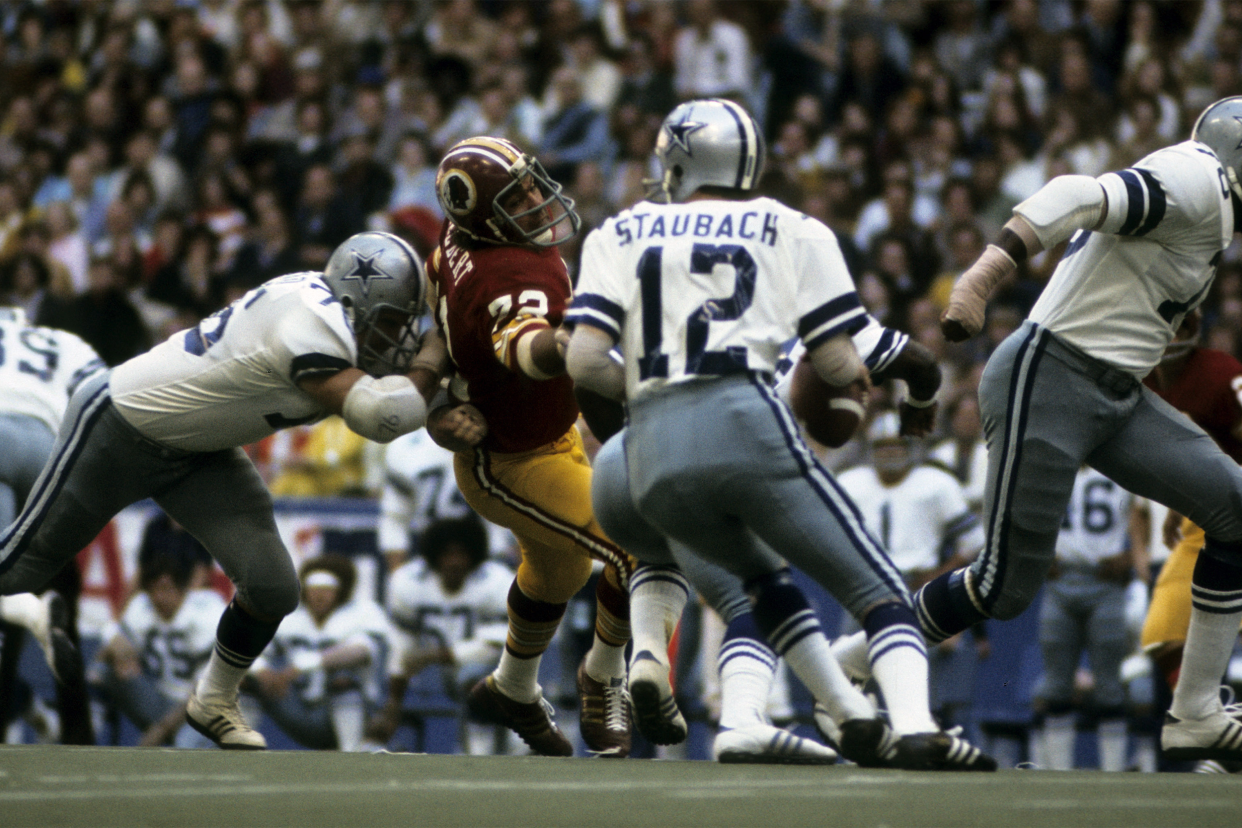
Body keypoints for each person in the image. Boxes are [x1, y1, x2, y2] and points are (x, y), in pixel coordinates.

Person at [565, 98, 994, 770]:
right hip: (742, 419)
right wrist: (860, 391)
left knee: (755, 584)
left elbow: (585, 362)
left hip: (638, 451)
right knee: (876, 584)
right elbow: (838, 360)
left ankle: (736, 697)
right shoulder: (792, 230)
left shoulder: (619, 230)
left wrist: (654, 395)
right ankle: (911, 724)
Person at [833, 95, 1242, 765]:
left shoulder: (1212, 208)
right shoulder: (1198, 176)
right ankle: (851, 659)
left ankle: (1195, 711)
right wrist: (984, 275)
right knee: (1002, 587)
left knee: (1233, 506)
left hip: (1114, 390)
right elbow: (1076, 191)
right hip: (1052, 375)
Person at [0, 230, 452, 750]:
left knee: (272, 586)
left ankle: (213, 699)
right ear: (356, 302)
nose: (401, 335)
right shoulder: (308, 322)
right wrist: (433, 359)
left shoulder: (328, 314)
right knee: (20, 567)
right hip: (120, 426)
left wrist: (446, 409)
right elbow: (382, 412)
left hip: (199, 451)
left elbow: (400, 399)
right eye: (394, 320)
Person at [424, 136, 634, 758]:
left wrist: (441, 395)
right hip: (510, 461)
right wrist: (571, 344)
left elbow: (441, 324)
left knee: (559, 571)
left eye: (532, 183)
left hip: (550, 434)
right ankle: (603, 676)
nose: (539, 198)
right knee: (636, 547)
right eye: (519, 194)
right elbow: (527, 350)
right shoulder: (512, 270)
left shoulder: (460, 238)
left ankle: (513, 686)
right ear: (484, 213)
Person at [1139, 309, 1242, 772]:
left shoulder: (1222, 373)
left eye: (1177, 326)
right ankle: (1218, 732)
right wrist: (1179, 505)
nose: (1168, 337)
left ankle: (1222, 744)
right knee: (1161, 635)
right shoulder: (1144, 378)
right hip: (1203, 518)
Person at [0, 306, 104, 740]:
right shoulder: (59, 341)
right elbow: (107, 394)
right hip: (48, 452)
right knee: (54, 583)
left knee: (4, 578)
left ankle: (32, 621)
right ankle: (78, 735)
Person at [367, 515, 512, 754]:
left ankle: (480, 754)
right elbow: (402, 646)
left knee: (475, 679)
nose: (454, 562)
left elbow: (498, 643)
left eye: (461, 554)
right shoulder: (408, 582)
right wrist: (393, 701)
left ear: (474, 556)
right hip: (434, 673)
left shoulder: (495, 581)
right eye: (447, 554)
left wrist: (434, 655)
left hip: (496, 671)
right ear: (433, 556)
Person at [1034, 464, 1143, 772]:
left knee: (1110, 685)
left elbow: (1142, 511)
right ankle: (1059, 774)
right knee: (1056, 684)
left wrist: (1133, 554)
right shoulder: (1051, 466)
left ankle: (1113, 774)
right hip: (1060, 578)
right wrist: (1038, 554)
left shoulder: (1120, 468)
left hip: (1105, 580)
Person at [246, 555, 390, 752]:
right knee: (246, 680)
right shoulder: (290, 615)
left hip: (354, 709)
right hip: (298, 704)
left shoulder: (363, 611)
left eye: (327, 590)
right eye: (314, 590)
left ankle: (352, 753)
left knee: (344, 679)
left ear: (342, 591)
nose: (320, 596)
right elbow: (249, 648)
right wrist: (261, 670)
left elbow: (360, 652)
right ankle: (239, 751)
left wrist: (305, 665)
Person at [92, 540, 224, 748]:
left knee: (182, 749)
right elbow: (103, 655)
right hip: (162, 699)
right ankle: (86, 730)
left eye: (165, 588)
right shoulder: (142, 606)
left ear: (182, 589)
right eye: (153, 590)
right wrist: (118, 652)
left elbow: (207, 689)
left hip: (202, 708)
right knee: (100, 671)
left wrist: (161, 729)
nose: (158, 597)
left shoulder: (206, 611)